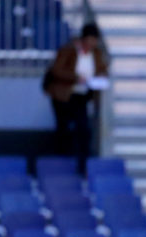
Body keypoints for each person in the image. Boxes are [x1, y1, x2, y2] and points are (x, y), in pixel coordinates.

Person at [43, 22, 108, 173]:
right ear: (84, 39)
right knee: (63, 129)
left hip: (82, 96)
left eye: (94, 41)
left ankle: (82, 166)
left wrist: (99, 77)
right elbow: (56, 70)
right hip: (64, 96)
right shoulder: (68, 51)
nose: (92, 44)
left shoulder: (96, 54)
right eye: (90, 40)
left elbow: (102, 69)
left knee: (83, 129)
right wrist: (76, 77)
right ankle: (61, 164)